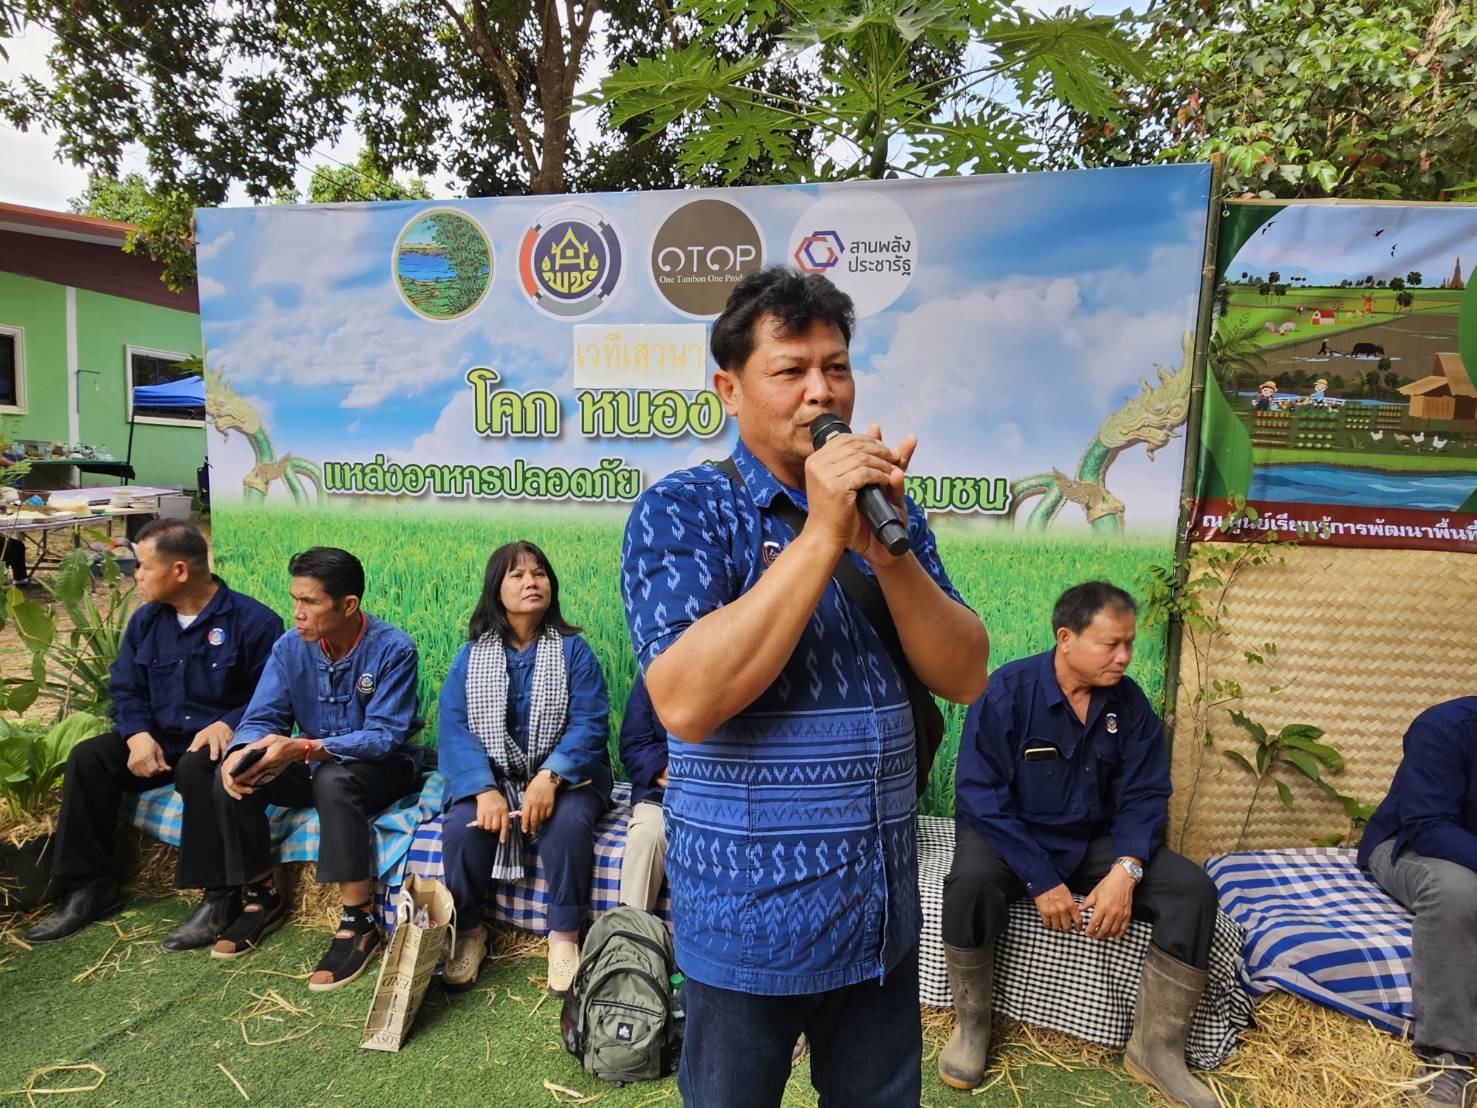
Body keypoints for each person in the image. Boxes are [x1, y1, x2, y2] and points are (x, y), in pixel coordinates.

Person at [620, 266, 990, 1107]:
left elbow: (963, 673)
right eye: (790, 371)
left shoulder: (885, 508)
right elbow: (685, 700)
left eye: (837, 367)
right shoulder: (683, 511)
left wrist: (882, 552)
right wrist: (823, 533)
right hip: (749, 923)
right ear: (730, 387)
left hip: (877, 919)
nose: (821, 393)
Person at [941, 581, 1221, 1108]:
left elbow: (1145, 793)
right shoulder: (1007, 693)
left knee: (1193, 890)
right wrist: (1041, 878)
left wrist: (1126, 870)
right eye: (1110, 644)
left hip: (1092, 840)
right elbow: (980, 796)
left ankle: (1156, 1050)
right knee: (969, 882)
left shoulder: (1129, 704)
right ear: (1065, 638)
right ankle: (972, 1025)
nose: (1124, 657)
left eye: (1130, 644)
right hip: (1011, 836)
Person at [23, 520, 282, 945]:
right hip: (159, 741)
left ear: (180, 570)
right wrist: (137, 734)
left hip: (214, 744)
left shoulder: (253, 622)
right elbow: (125, 687)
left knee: (200, 769)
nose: (136, 576)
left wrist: (229, 723)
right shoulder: (147, 622)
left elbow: (272, 696)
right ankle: (90, 886)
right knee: (89, 758)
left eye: (143, 567)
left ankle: (219, 897)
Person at [204, 547, 420, 991]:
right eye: (294, 600)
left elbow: (383, 736)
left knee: (333, 777)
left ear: (348, 605)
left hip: (378, 769)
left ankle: (358, 921)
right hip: (308, 762)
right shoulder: (289, 647)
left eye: (310, 602)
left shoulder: (394, 649)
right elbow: (263, 717)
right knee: (237, 772)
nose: (297, 613)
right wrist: (242, 753)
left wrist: (306, 747)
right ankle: (261, 896)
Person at [436, 540, 612, 995]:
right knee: (462, 825)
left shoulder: (575, 652)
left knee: (568, 822)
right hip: (494, 778)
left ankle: (564, 936)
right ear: (496, 590)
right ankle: (471, 932)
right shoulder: (471, 656)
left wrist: (550, 777)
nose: (531, 582)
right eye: (517, 575)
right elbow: (455, 729)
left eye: (539, 573)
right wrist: (483, 789)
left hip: (572, 776)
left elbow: (590, 725)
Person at [1358, 697, 1477, 1107]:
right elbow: (1429, 826)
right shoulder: (1443, 727)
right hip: (1410, 846)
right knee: (1458, 892)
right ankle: (1446, 1057)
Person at [616, 671, 668, 912]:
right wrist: (662, 768)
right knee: (647, 835)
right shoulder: (654, 670)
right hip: (663, 792)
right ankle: (631, 941)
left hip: (728, 794)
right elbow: (633, 744)